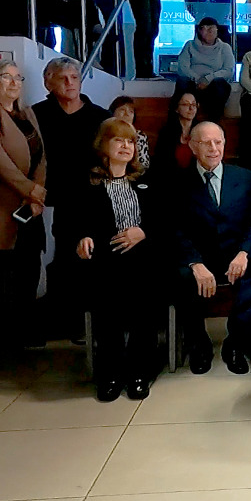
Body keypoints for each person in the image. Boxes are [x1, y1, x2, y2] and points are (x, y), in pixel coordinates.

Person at [172, 122, 251, 374]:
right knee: (182, 278)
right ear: (193, 146)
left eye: (219, 142)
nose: (214, 148)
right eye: (206, 143)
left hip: (235, 254)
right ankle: (199, 344)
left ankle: (235, 344)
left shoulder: (246, 179)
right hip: (198, 258)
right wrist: (195, 263)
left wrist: (244, 253)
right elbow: (175, 228)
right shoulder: (178, 182)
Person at [75, 118, 162, 401]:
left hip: (144, 259)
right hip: (105, 260)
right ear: (104, 145)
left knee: (143, 305)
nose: (126, 146)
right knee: (107, 308)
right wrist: (82, 237)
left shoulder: (148, 180)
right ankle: (110, 373)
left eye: (130, 141)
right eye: (119, 140)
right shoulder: (87, 183)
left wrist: (143, 231)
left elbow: (167, 222)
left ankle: (140, 372)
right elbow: (72, 223)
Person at [30, 57, 110, 336]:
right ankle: (65, 321)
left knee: (92, 257)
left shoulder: (99, 116)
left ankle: (90, 321)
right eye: (62, 78)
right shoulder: (36, 114)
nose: (70, 83)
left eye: (74, 77)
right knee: (63, 255)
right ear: (48, 82)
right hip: (55, 198)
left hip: (95, 198)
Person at [0, 60, 47, 350]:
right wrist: (29, 189)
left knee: (28, 266)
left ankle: (23, 327)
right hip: (1, 203)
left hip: (30, 204)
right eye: (7, 77)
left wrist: (37, 191)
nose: (15, 83)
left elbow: (42, 155)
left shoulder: (26, 112)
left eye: (19, 77)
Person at [175, 17, 234, 122]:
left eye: (212, 28)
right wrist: (198, 80)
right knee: (182, 82)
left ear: (217, 30)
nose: (210, 31)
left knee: (221, 84)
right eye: (205, 28)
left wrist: (208, 79)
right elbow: (182, 68)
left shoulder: (225, 47)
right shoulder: (189, 45)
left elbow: (228, 70)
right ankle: (178, 124)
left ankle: (214, 123)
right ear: (199, 30)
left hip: (213, 87)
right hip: (193, 84)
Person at [154, 89, 199, 170]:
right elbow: (161, 161)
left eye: (194, 104)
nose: (191, 108)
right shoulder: (166, 132)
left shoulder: (201, 130)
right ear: (176, 108)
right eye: (186, 104)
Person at [108, 96, 150, 169]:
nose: (127, 114)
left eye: (131, 111)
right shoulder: (105, 134)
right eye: (122, 110)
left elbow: (143, 165)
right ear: (113, 112)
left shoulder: (140, 136)